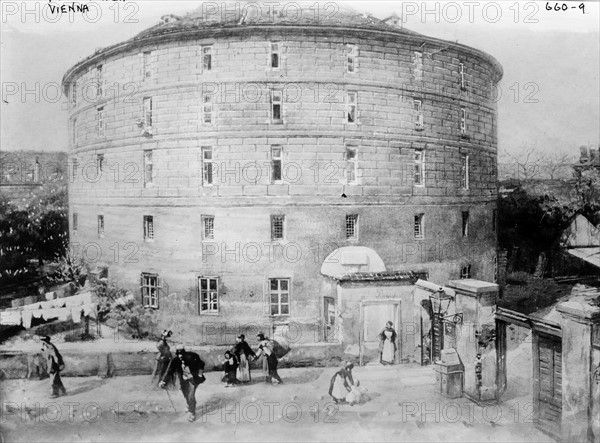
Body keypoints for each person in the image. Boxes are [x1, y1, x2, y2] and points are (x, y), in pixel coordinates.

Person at [159, 345, 206, 422]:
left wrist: (200, 374)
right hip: (183, 380)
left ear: (185, 353)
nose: (180, 356)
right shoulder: (175, 360)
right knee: (185, 393)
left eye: (182, 354)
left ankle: (192, 413)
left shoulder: (192, 356)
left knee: (191, 395)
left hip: (193, 379)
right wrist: (164, 381)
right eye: (178, 354)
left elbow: (201, 364)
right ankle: (189, 404)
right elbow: (170, 371)